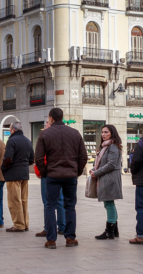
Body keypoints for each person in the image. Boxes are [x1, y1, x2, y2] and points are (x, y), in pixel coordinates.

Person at [35, 107, 87, 249]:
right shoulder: (75, 133)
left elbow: (38, 157)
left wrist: (44, 172)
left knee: (50, 206)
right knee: (70, 206)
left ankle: (51, 240)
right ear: (62, 117)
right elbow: (83, 156)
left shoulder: (45, 134)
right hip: (70, 175)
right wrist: (77, 171)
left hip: (53, 175)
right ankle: (70, 238)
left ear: (51, 118)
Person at [91, 125, 124, 240]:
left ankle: (109, 231)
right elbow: (102, 163)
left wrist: (97, 172)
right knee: (109, 204)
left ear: (112, 133)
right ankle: (114, 230)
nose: (103, 134)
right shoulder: (106, 146)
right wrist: (94, 169)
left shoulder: (112, 147)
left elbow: (111, 164)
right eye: (102, 132)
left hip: (110, 179)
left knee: (109, 204)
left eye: (106, 132)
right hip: (106, 178)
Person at [35, 121, 65, 238]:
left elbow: (40, 156)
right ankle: (62, 227)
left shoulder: (46, 136)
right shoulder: (64, 135)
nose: (45, 125)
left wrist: (41, 171)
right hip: (62, 172)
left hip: (49, 173)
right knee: (60, 200)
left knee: (48, 202)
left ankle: (48, 228)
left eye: (47, 123)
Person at [2, 122, 34, 233]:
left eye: (10, 129)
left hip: (13, 174)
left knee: (14, 200)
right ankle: (25, 223)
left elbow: (8, 159)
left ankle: (18, 224)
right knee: (24, 200)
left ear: (13, 130)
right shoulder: (28, 141)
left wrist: (4, 169)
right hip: (24, 174)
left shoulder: (12, 141)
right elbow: (32, 159)